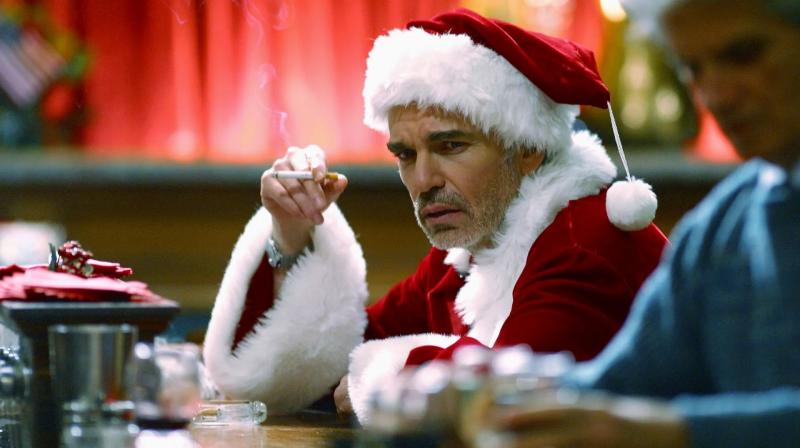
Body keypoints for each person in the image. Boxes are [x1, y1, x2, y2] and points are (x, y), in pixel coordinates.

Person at [202, 8, 667, 423]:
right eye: (405, 155)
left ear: (527, 148)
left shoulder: (585, 246)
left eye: (450, 146)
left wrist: (380, 376)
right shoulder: (466, 252)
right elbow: (321, 367)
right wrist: (291, 234)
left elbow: (504, 405)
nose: (423, 180)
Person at [481, 0, 800, 447]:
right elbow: (621, 382)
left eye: (744, 55)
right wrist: (483, 395)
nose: (715, 95)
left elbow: (625, 414)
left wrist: (665, 432)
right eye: (693, 68)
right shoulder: (722, 226)